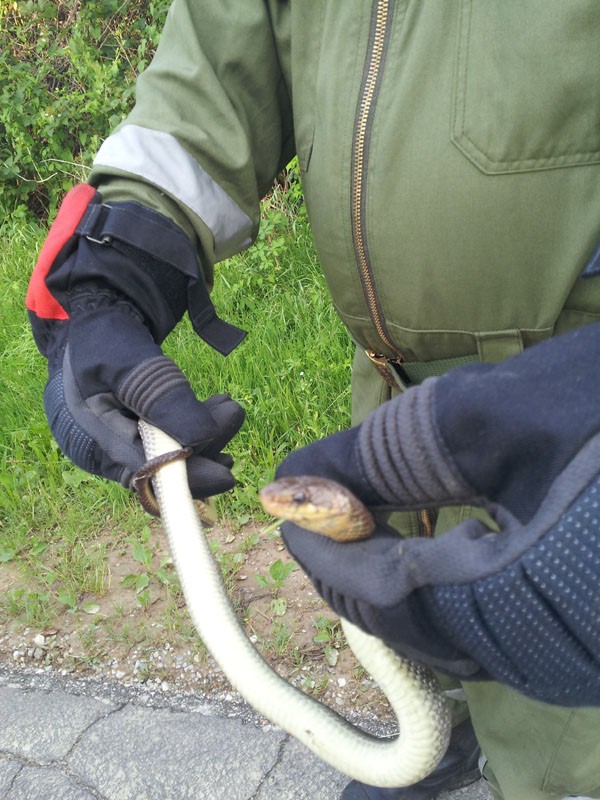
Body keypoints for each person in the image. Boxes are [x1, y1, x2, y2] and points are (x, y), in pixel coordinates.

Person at [26, 3, 600, 799]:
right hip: (398, 405)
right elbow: (212, 89)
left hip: (573, 418)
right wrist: (109, 275)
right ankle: (454, 737)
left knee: (571, 727)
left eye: (295, 501)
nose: (281, 504)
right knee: (435, 622)